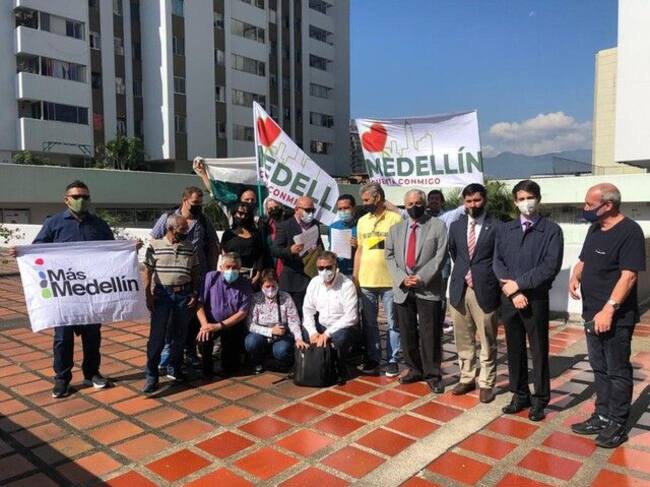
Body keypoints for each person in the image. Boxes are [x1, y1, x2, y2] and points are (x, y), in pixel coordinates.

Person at [11, 180, 114, 398]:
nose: (81, 200)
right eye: (76, 197)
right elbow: (37, 249)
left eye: (85, 197)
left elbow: (112, 251)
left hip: (91, 292)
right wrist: (22, 252)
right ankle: (62, 379)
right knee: (63, 338)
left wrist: (130, 248)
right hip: (64, 293)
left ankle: (92, 373)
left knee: (92, 336)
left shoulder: (99, 225)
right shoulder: (54, 223)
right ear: (66, 199)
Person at [569, 183, 645, 448]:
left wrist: (609, 308)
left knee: (617, 371)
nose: (585, 208)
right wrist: (575, 274)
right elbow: (584, 260)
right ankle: (601, 415)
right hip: (591, 313)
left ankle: (617, 423)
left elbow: (629, 276)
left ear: (608, 205)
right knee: (599, 367)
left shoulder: (630, 232)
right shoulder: (595, 228)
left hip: (615, 317)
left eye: (590, 205)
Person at [493, 179, 563, 422]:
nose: (526, 203)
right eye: (521, 199)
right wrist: (513, 292)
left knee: (538, 350)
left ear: (538, 199)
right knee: (514, 349)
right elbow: (497, 262)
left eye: (530, 198)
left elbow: (550, 266)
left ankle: (540, 399)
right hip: (510, 298)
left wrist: (519, 285)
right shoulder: (505, 229)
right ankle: (520, 394)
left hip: (536, 299)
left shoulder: (552, 230)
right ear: (515, 202)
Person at [385, 190, 448, 393]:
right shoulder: (395, 229)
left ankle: (433, 374)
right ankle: (414, 369)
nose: (414, 207)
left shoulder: (438, 225)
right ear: (405, 206)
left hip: (427, 287)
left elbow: (440, 256)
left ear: (425, 203)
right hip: (403, 287)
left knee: (430, 333)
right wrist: (401, 278)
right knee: (407, 332)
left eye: (418, 203)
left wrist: (421, 277)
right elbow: (389, 256)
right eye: (410, 204)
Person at [150, 186, 219, 369]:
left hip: (196, 276)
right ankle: (167, 353)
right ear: (185, 200)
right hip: (170, 279)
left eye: (200, 202)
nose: (198, 206)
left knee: (191, 317)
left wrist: (211, 272)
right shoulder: (168, 218)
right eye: (195, 202)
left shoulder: (203, 220)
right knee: (167, 320)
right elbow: (153, 241)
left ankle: (189, 351)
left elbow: (213, 246)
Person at [448, 183, 501, 403]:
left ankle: (487, 383)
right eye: (468, 201)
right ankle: (467, 377)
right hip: (460, 288)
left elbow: (499, 257)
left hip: (485, 289)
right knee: (462, 337)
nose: (473, 205)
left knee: (487, 339)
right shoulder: (456, 226)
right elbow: (455, 253)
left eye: (477, 200)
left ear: (484, 200)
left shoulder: (497, 226)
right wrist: (466, 273)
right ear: (464, 202)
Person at [142, 215, 199, 393]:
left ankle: (175, 368)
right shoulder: (155, 246)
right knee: (157, 336)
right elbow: (148, 271)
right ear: (171, 229)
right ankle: (151, 375)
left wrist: (194, 292)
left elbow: (195, 271)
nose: (186, 232)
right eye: (182, 229)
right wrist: (148, 294)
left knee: (180, 335)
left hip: (183, 295)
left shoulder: (189, 247)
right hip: (162, 295)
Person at [354, 182, 403, 376]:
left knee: (393, 322)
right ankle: (373, 358)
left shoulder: (395, 219)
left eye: (367, 200)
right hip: (367, 280)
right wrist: (356, 276)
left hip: (390, 281)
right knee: (370, 323)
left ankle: (392, 360)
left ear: (378, 198)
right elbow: (360, 250)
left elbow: (400, 249)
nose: (364, 203)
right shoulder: (362, 221)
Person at [303, 251, 360, 381]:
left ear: (335, 266)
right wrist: (313, 333)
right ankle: (318, 364)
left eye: (328, 267)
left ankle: (338, 365)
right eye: (321, 268)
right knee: (305, 331)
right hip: (322, 324)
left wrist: (327, 334)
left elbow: (351, 317)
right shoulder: (314, 283)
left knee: (340, 338)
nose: (325, 271)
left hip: (342, 327)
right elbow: (307, 310)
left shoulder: (347, 285)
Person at [196, 252, 253, 377]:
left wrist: (220, 326)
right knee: (204, 339)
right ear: (221, 267)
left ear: (239, 269)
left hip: (231, 324)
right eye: (228, 267)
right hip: (210, 322)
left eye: (234, 267)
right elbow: (199, 304)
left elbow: (242, 312)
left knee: (231, 367)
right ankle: (207, 366)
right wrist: (205, 325)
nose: (231, 270)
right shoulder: (211, 277)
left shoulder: (245, 284)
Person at [245, 269, 305, 374]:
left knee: (282, 350)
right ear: (261, 286)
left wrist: (298, 339)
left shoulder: (285, 297)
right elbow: (250, 325)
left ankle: (284, 362)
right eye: (267, 286)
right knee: (251, 342)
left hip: (282, 336)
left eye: (273, 286)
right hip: (262, 335)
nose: (271, 289)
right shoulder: (255, 298)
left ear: (278, 284)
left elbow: (294, 321)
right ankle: (257, 361)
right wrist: (271, 331)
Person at [271, 196, 323, 316]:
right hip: (294, 279)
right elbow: (275, 250)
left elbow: (320, 244)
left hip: (312, 277)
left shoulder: (315, 224)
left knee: (312, 314)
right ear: (296, 209)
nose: (310, 213)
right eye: (307, 210)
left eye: (312, 210)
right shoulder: (285, 226)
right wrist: (290, 250)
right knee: (294, 315)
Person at [221, 203, 264, 287]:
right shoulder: (228, 234)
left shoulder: (255, 234)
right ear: (234, 214)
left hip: (250, 277)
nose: (243, 217)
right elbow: (223, 255)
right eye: (240, 213)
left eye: (246, 215)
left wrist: (257, 275)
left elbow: (260, 256)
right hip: (230, 275)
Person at [328, 194, 358, 276]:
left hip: (356, 271)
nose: (343, 211)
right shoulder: (333, 227)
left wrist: (358, 246)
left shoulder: (361, 225)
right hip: (338, 271)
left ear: (354, 208)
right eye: (340, 209)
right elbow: (330, 247)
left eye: (346, 208)